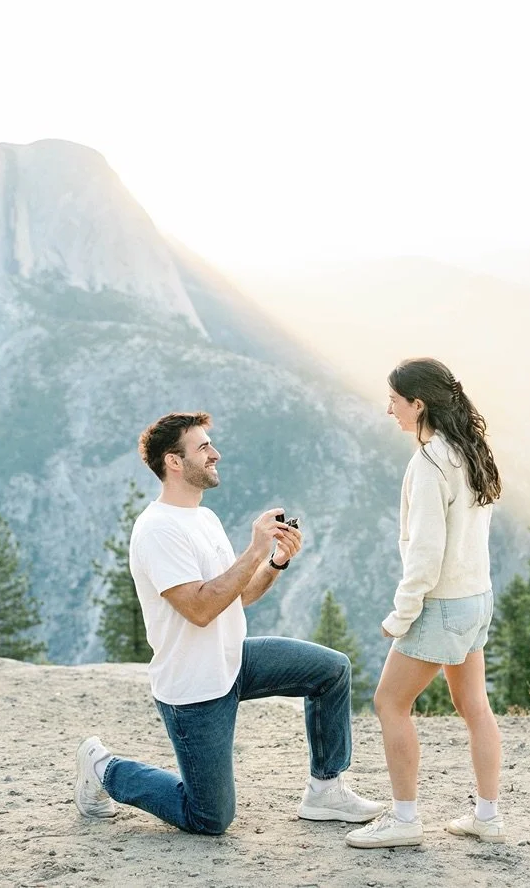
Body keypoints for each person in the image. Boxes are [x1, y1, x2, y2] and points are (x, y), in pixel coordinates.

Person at [74, 411, 385, 835]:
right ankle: (104, 768)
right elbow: (200, 609)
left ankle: (325, 789)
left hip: (234, 660)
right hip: (194, 686)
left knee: (331, 670)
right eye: (203, 447)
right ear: (175, 462)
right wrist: (255, 550)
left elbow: (236, 597)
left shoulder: (204, 518)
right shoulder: (157, 530)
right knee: (210, 818)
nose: (215, 454)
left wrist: (276, 560)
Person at [345, 358, 505, 849]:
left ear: (419, 404)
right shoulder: (470, 450)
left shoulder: (430, 462)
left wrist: (401, 614)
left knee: (390, 702)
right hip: (475, 598)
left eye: (395, 400)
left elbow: (425, 553)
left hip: (439, 604)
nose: (389, 409)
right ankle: (488, 816)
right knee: (474, 705)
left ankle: (405, 820)